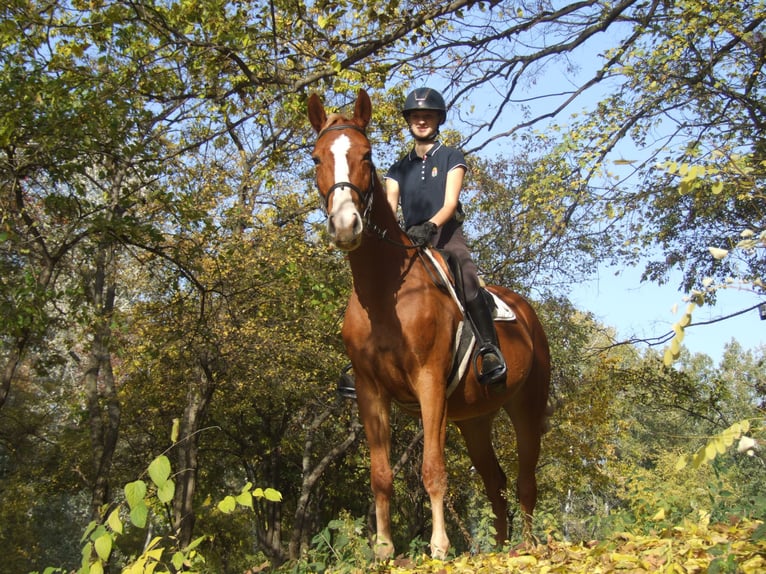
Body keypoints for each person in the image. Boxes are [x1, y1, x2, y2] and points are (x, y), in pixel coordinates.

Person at [385, 87, 507, 388]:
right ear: (408, 121)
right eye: (416, 117)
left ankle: (489, 349)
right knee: (380, 284)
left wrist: (430, 226)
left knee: (465, 277)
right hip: (409, 241)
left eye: (427, 116)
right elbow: (390, 207)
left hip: (445, 235)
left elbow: (451, 202)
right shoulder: (397, 168)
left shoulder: (452, 156)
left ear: (438, 120)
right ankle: (365, 354)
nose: (421, 121)